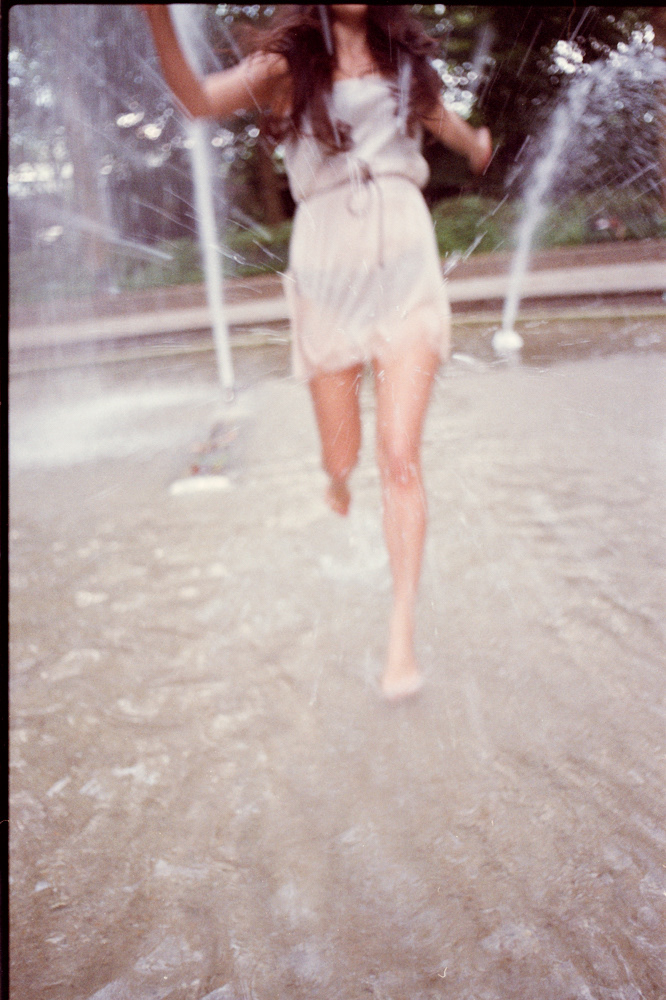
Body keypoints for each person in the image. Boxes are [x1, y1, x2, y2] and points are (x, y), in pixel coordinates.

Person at [142, 4, 492, 700]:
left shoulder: (404, 66)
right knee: (343, 455)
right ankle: (336, 479)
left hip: (406, 262)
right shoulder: (287, 64)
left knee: (400, 456)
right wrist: (157, 15)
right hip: (327, 268)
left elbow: (454, 132)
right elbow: (198, 99)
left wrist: (476, 143)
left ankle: (400, 635)